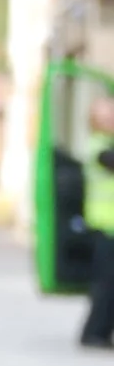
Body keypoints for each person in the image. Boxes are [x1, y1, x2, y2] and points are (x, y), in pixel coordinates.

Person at [77, 95, 114, 348]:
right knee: (106, 286)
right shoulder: (97, 147)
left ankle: (101, 332)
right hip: (104, 227)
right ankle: (93, 334)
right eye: (107, 116)